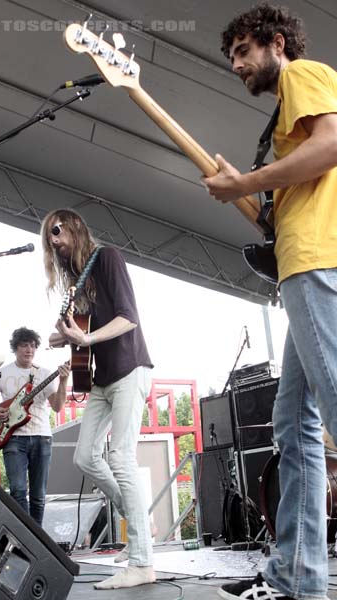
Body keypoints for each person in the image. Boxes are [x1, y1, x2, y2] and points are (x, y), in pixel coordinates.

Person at [204, 3, 337, 600]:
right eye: (232, 57)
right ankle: (297, 578)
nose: (237, 65)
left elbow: (333, 146)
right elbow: (278, 204)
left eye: (243, 52)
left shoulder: (303, 75)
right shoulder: (284, 120)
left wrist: (249, 182)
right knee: (294, 423)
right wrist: (245, 189)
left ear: (276, 43)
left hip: (316, 260)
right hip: (300, 262)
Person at [41, 209, 155, 590]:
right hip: (102, 378)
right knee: (85, 455)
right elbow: (84, 331)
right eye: (48, 236)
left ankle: (142, 561)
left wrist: (86, 339)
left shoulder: (106, 258)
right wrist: (65, 337)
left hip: (129, 368)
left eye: (57, 231)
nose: (53, 240)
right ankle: (138, 523)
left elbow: (128, 318)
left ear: (75, 227)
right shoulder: (77, 281)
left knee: (120, 456)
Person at [0, 326, 71, 526]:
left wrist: (63, 381)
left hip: (42, 437)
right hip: (13, 438)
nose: (29, 349)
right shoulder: (2, 373)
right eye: (24, 345)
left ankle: (35, 539)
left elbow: (57, 406)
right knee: (18, 489)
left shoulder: (45, 373)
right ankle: (26, 535)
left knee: (39, 494)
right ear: (16, 348)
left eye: (32, 346)